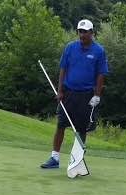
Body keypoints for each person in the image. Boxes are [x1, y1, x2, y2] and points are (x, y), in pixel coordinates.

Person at [41, 19, 108, 169]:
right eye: (80, 31)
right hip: (69, 93)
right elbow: (63, 70)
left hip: (86, 95)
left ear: (92, 33)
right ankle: (54, 158)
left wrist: (97, 95)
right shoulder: (70, 48)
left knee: (81, 129)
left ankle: (76, 160)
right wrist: (59, 91)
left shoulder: (99, 51)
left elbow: (101, 75)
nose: (82, 34)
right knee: (60, 125)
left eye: (85, 32)